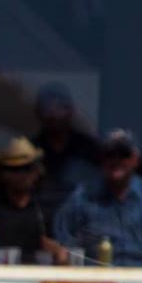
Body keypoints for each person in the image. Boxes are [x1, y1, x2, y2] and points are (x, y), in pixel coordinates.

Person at [52, 129, 142, 268]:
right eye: (110, 154)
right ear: (102, 159)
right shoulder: (83, 196)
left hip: (140, 282)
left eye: (124, 154)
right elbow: (61, 243)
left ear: (135, 159)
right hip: (95, 281)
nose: (116, 160)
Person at [0, 137, 67, 265]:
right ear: (3, 174)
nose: (22, 175)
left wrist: (57, 252)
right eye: (14, 170)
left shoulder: (43, 209)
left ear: (37, 172)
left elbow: (56, 251)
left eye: (27, 168)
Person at [30, 82, 102, 226]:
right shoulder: (31, 150)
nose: (53, 114)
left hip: (84, 220)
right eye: (47, 108)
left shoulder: (89, 148)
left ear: (71, 111)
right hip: (40, 221)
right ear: (38, 113)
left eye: (59, 107)